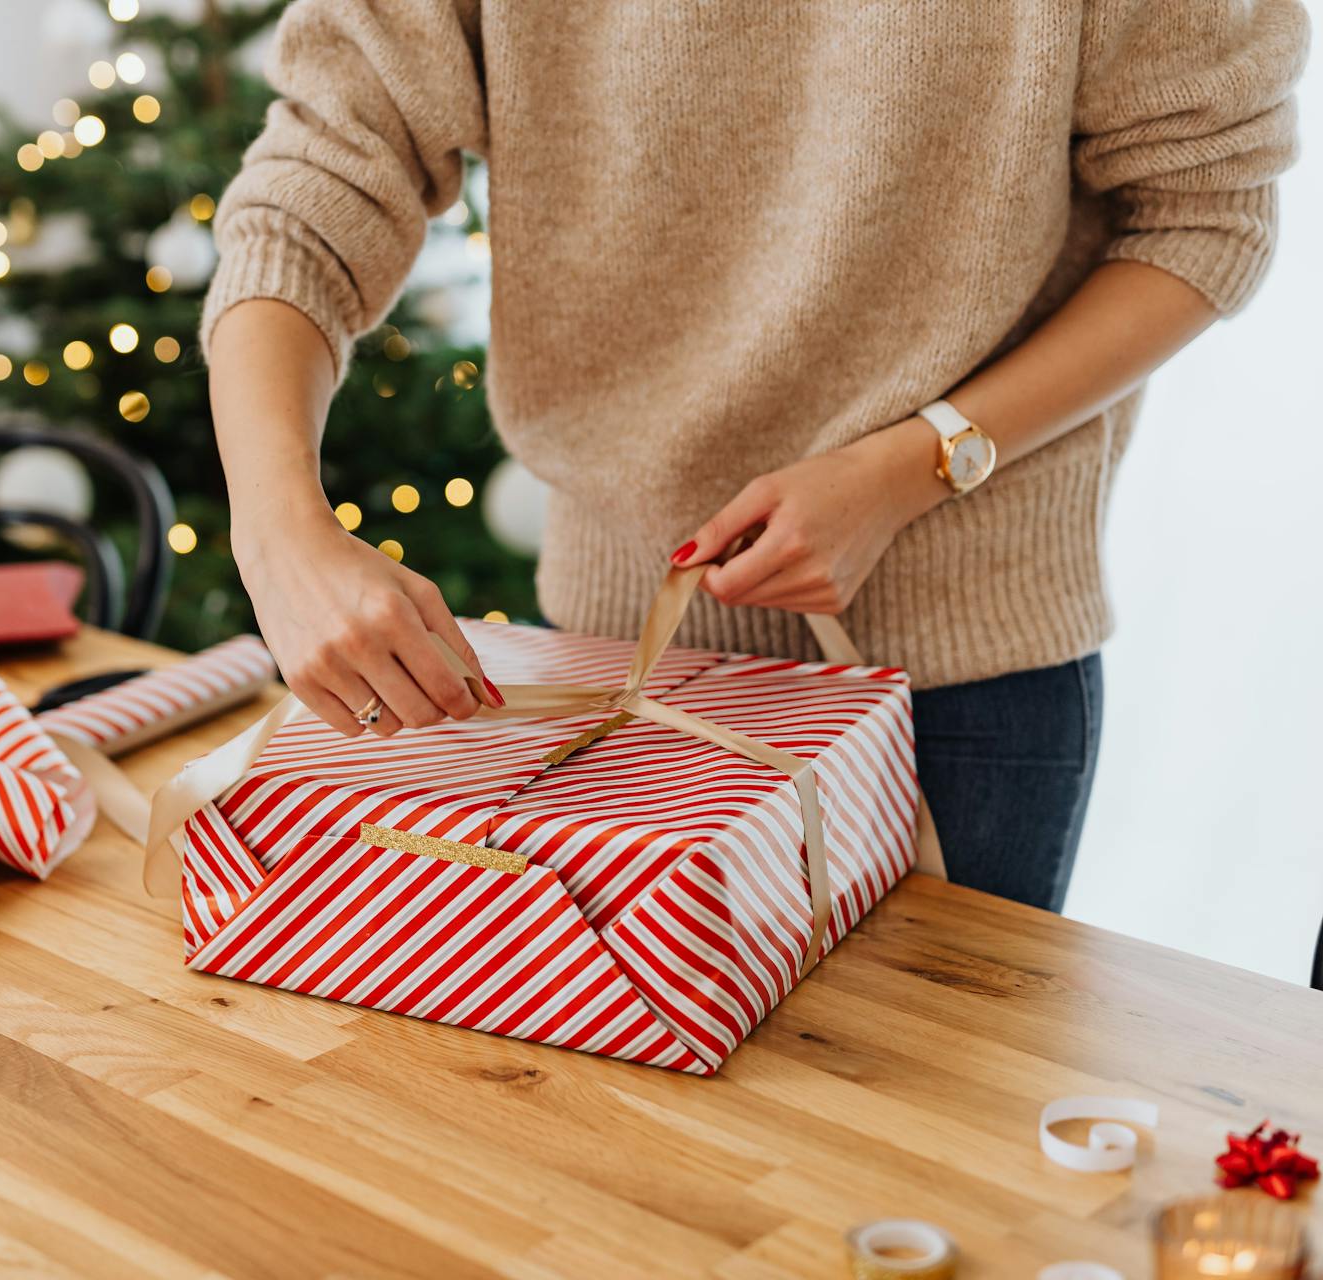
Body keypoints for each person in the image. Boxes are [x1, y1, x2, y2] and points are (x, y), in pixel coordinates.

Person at [199, 0, 1309, 912]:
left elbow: (1203, 216)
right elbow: (315, 195)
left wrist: (916, 463)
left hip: (958, 696)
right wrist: (278, 530)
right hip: (607, 664)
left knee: (916, 1165)